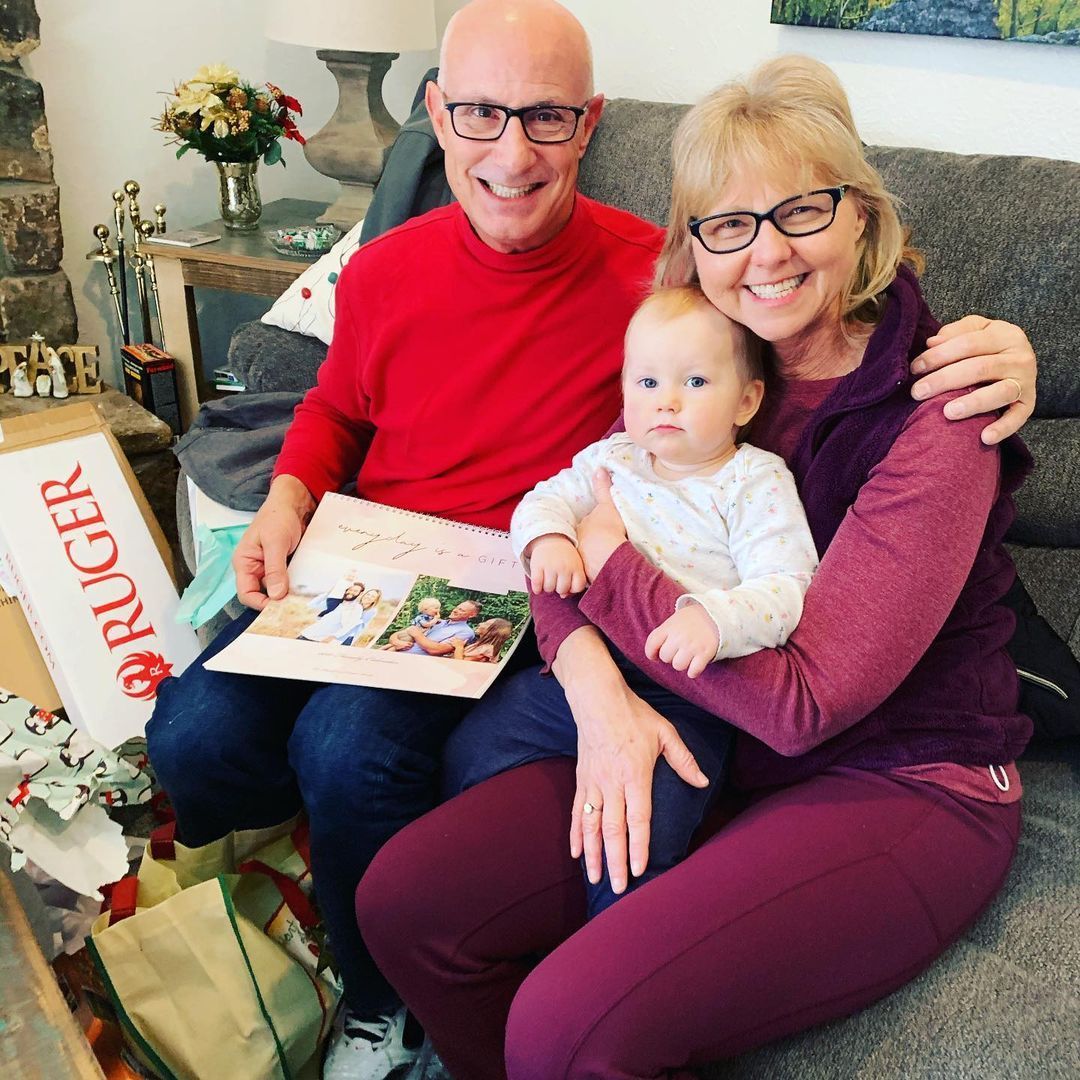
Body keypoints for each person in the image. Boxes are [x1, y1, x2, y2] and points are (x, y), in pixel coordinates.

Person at [145, 1, 1038, 1076]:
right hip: (661, 697)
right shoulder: (690, 349)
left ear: (862, 214)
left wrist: (607, 572)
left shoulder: (930, 399)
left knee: (545, 999)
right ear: (692, 245)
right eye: (726, 224)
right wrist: (597, 690)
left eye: (801, 210)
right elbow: (547, 498)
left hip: (882, 764)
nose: (763, 254)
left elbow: (798, 699)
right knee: (375, 877)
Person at [449, 285, 818, 917]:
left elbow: (789, 585)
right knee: (469, 747)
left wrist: (715, 618)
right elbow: (542, 500)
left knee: (644, 833)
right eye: (645, 382)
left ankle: (613, 938)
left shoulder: (753, 479)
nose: (665, 401)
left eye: (695, 382)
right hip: (587, 670)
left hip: (690, 692)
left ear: (747, 400)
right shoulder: (614, 457)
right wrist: (550, 541)